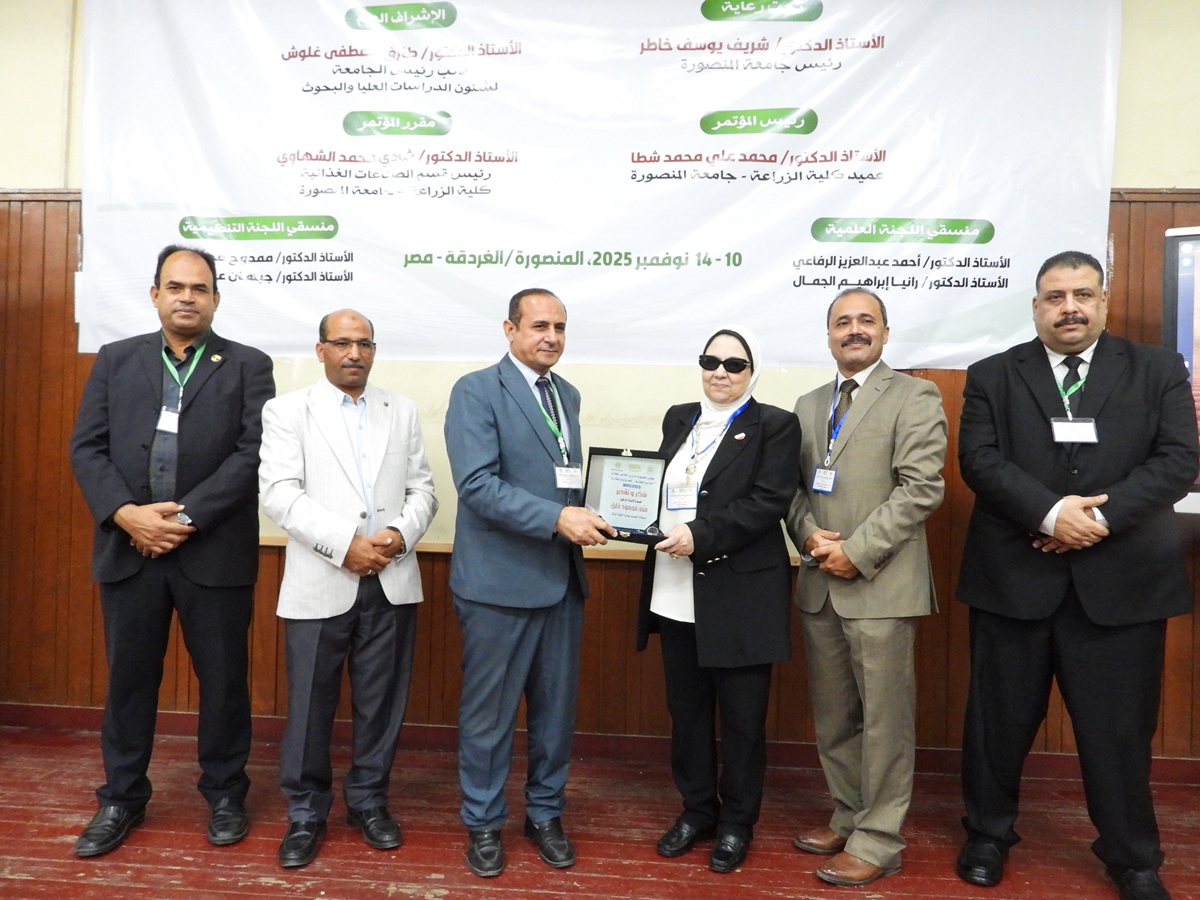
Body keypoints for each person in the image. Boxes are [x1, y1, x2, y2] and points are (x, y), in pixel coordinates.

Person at [955, 251, 1197, 900]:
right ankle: (987, 835)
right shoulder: (992, 375)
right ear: (1036, 307)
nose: (1070, 308)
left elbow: (1178, 461)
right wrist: (1050, 514)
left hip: (1122, 586)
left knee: (1119, 734)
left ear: (1104, 302)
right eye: (1055, 297)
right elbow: (979, 460)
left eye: (1082, 295)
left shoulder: (1157, 370)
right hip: (1014, 578)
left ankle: (1132, 857)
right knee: (997, 726)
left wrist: (1096, 519)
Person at [69, 245, 274, 856]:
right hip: (130, 549)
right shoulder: (116, 359)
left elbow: (252, 453)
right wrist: (126, 514)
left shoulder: (248, 365)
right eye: (176, 287)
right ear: (155, 294)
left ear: (216, 298)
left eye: (200, 288)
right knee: (129, 682)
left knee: (224, 683)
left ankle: (226, 794)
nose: (188, 297)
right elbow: (87, 448)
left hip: (213, 552)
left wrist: (183, 518)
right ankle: (121, 797)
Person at [444, 288, 615, 877]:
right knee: (489, 718)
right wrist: (557, 519)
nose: (551, 337)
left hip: (561, 582)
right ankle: (483, 822)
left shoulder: (565, 394)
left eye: (560, 327)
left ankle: (545, 814)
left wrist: (611, 508)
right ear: (510, 329)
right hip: (498, 585)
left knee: (554, 716)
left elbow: (566, 480)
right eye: (539, 326)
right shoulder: (475, 390)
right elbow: (477, 485)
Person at [258, 309, 437, 868]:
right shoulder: (288, 410)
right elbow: (279, 494)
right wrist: (345, 544)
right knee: (310, 705)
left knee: (381, 703)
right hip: (321, 580)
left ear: (374, 350)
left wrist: (398, 536)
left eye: (364, 344)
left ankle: (368, 801)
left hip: (391, 578)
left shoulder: (400, 409)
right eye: (341, 343)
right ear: (321, 350)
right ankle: (305, 812)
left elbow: (424, 491)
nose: (354, 353)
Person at [785, 288, 948, 887]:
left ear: (885, 331)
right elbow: (790, 489)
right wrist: (808, 535)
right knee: (835, 715)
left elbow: (921, 488)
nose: (854, 330)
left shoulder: (914, 395)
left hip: (880, 583)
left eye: (866, 321)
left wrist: (855, 552)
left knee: (884, 721)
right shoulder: (807, 404)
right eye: (842, 322)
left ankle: (879, 839)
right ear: (828, 334)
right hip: (819, 583)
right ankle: (849, 816)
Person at [637, 326, 801, 874]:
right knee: (686, 714)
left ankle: (736, 823)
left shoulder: (775, 424)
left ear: (752, 371)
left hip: (739, 595)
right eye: (711, 361)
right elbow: (653, 488)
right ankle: (697, 810)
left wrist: (699, 535)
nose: (721, 372)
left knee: (742, 721)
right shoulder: (679, 417)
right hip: (674, 590)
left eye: (735, 364)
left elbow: (767, 503)